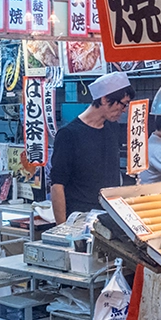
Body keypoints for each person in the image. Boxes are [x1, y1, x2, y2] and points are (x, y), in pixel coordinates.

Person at [49, 72, 133, 221]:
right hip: (79, 217)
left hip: (110, 214)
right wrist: (61, 228)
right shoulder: (68, 134)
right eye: (123, 103)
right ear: (105, 99)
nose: (124, 109)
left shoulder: (112, 128)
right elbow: (57, 185)